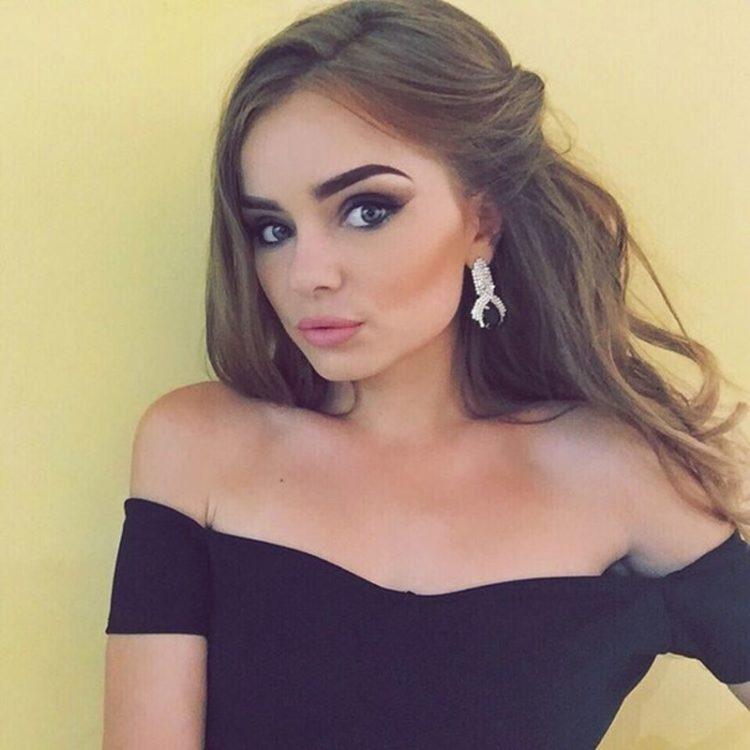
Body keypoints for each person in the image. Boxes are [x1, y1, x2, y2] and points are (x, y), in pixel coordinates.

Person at [102, 0, 750, 747]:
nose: (306, 273)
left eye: (366, 211)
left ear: (482, 222)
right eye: (271, 229)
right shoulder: (198, 447)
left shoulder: (622, 478)